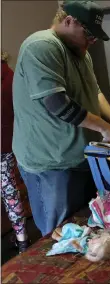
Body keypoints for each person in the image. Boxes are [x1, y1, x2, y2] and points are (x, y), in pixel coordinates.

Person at [12, 1, 110, 236]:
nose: (92, 41)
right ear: (69, 21)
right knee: (59, 233)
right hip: (51, 162)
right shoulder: (41, 46)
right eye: (89, 33)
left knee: (87, 225)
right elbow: (56, 103)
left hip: (81, 156)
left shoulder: (82, 55)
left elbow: (94, 91)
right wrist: (104, 128)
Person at [1, 55, 29, 253]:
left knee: (10, 192)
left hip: (4, 145)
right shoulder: (10, 75)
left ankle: (22, 240)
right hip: (7, 143)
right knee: (10, 191)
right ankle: (22, 241)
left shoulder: (8, 77)